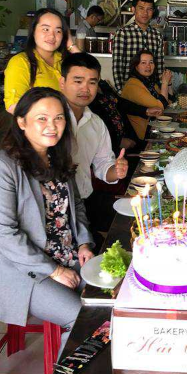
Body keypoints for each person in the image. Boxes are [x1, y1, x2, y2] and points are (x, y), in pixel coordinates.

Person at [0, 87, 94, 347]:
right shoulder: (2, 168)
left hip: (65, 256)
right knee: (82, 319)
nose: (52, 126)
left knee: (110, 298)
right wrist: (55, 270)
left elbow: (75, 205)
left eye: (59, 118)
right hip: (21, 270)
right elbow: (5, 235)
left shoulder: (56, 157)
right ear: (22, 122)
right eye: (42, 118)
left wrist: (84, 243)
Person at [58, 53, 130, 242]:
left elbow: (103, 165)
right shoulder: (52, 120)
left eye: (92, 82)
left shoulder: (96, 123)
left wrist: (117, 171)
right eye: (78, 81)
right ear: (62, 82)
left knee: (132, 222)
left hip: (85, 200)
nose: (85, 88)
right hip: (56, 206)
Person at [4, 8, 80, 114]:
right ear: (33, 31)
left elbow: (91, 76)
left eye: (58, 31)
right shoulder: (20, 62)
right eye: (45, 29)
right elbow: (13, 106)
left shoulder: (64, 59)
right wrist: (52, 119)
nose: (52, 36)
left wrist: (71, 45)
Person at [112, 0, 164, 92]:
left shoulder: (157, 35)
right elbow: (117, 66)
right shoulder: (123, 33)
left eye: (149, 9)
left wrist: (160, 90)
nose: (145, 13)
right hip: (129, 90)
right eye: (141, 8)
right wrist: (121, 91)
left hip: (151, 91)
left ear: (153, 11)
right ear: (133, 9)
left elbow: (159, 66)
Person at [120, 49, 172, 140]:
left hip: (155, 127)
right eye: (143, 63)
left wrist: (169, 83)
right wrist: (165, 83)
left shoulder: (149, 82)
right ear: (136, 66)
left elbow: (169, 101)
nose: (148, 66)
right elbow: (160, 107)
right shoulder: (133, 84)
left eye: (151, 62)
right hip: (142, 135)